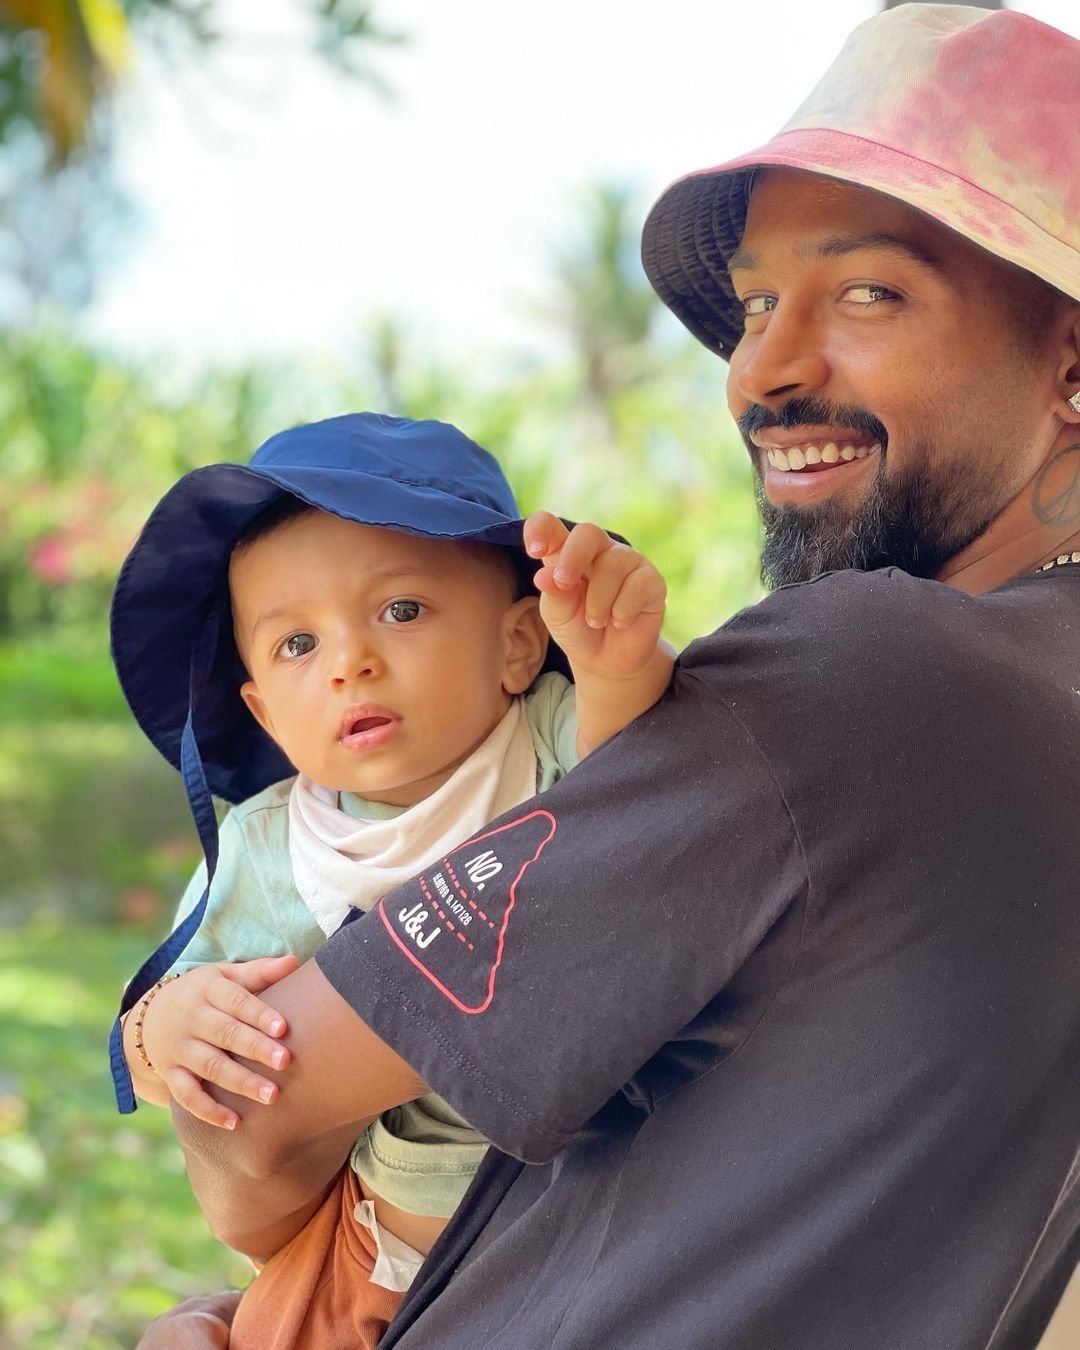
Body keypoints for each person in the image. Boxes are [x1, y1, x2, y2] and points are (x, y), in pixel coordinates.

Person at [136, 5, 1080, 1347]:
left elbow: (259, 1115)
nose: (765, 367)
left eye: (868, 290)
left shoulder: (860, 679)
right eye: (757, 302)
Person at [109, 413, 671, 1347]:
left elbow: (643, 786)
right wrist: (165, 1031)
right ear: (261, 711)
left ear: (519, 646)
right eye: (296, 645)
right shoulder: (269, 846)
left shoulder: (549, 737)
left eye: (400, 611)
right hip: (368, 1250)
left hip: (584, 1225)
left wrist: (620, 664)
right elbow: (166, 1039)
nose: (350, 664)